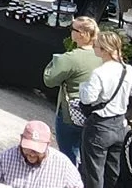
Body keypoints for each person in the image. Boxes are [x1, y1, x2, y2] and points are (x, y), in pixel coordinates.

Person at [71, 29, 132, 188]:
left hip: (100, 125)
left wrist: (84, 87)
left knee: (94, 169)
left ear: (105, 50)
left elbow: (88, 98)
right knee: (113, 168)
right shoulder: (128, 69)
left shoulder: (99, 73)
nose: (94, 47)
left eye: (97, 46)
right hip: (120, 123)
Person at [42, 15, 102, 164]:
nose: (70, 31)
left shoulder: (70, 58)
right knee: (88, 158)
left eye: (72, 29)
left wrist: (55, 61)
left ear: (81, 34)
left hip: (70, 115)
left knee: (68, 158)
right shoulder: (102, 55)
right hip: (94, 114)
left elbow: (49, 80)